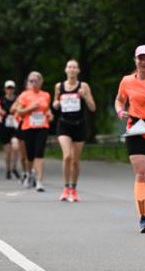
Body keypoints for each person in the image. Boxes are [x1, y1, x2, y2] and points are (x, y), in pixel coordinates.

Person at [115, 45, 145, 233]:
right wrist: (120, 111)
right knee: (141, 174)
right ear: (135, 60)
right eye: (140, 58)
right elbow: (119, 99)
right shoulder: (127, 81)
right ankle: (144, 218)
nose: (143, 62)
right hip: (136, 130)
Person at [53, 59, 96, 202]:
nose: (71, 70)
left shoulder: (83, 86)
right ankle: (66, 188)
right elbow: (55, 103)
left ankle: (73, 189)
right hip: (64, 125)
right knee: (67, 157)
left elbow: (92, 107)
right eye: (69, 67)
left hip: (79, 125)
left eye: (74, 67)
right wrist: (56, 103)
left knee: (76, 161)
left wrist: (84, 96)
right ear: (65, 70)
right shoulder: (59, 86)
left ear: (78, 71)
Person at [10, 71, 51, 192]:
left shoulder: (46, 95)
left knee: (39, 153)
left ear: (41, 82)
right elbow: (19, 112)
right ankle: (28, 174)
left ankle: (39, 181)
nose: (34, 83)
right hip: (28, 128)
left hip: (42, 127)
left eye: (36, 80)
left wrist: (49, 114)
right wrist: (31, 108)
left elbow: (46, 110)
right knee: (30, 156)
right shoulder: (24, 95)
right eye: (31, 81)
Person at [0, 80, 21, 179]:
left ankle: (14, 167)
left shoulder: (18, 100)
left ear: (14, 89)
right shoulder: (1, 100)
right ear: (5, 89)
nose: (9, 90)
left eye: (11, 88)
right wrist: (0, 112)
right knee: (7, 151)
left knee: (15, 147)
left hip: (15, 125)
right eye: (8, 88)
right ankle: (8, 169)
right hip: (5, 126)